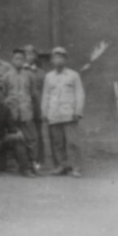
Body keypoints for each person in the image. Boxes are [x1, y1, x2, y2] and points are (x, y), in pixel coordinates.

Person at [42, 47, 85, 177]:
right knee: (57, 143)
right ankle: (61, 166)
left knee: (73, 142)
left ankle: (76, 167)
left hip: (69, 114)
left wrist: (78, 111)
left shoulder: (73, 75)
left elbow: (80, 94)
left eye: (61, 57)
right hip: (54, 114)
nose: (58, 60)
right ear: (52, 60)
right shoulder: (49, 77)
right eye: (56, 57)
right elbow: (46, 95)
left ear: (65, 59)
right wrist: (45, 112)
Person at [0, 82, 34, 177]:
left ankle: (25, 168)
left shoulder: (5, 108)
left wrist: (17, 131)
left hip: (2, 137)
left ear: (1, 95)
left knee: (18, 138)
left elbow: (11, 125)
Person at [4, 48, 41, 172]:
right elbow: (4, 94)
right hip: (12, 112)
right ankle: (19, 165)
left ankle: (33, 164)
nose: (18, 61)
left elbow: (34, 94)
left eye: (21, 58)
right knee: (16, 139)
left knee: (31, 138)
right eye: (16, 58)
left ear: (24, 60)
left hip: (26, 111)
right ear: (12, 60)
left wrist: (35, 111)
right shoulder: (7, 76)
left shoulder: (30, 75)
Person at [24, 44, 47, 166]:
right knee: (25, 133)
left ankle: (39, 161)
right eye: (27, 54)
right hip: (24, 106)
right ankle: (26, 161)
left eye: (32, 54)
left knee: (38, 133)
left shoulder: (41, 73)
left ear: (36, 56)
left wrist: (43, 108)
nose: (29, 57)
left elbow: (44, 91)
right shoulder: (20, 71)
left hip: (37, 106)